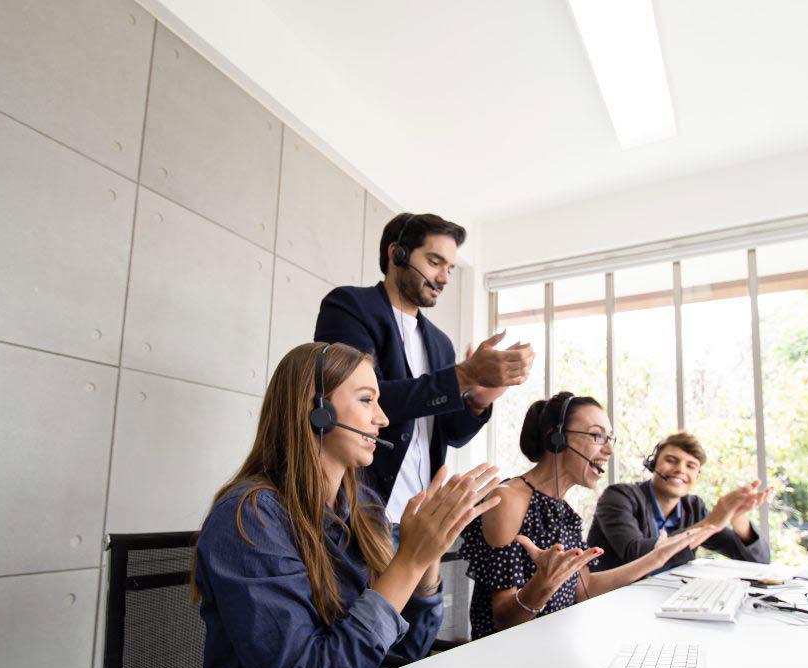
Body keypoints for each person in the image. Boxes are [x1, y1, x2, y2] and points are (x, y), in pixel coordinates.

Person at [187, 342, 500, 668]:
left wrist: (427, 560)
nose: (383, 419)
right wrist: (407, 561)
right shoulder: (251, 516)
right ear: (317, 410)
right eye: (367, 400)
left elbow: (406, 651)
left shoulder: (363, 507)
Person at [314, 212, 534, 526]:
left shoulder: (440, 343)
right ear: (397, 254)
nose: (444, 278)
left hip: (419, 517)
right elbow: (357, 402)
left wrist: (478, 399)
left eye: (450, 268)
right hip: (359, 512)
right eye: (434, 261)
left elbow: (450, 435)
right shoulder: (350, 307)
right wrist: (465, 376)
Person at [461, 392, 699, 639]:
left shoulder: (565, 512)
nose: (609, 450)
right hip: (507, 657)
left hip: (555, 645)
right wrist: (543, 584)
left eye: (609, 439)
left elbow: (584, 590)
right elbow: (502, 620)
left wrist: (656, 559)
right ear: (558, 438)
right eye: (597, 436)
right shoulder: (508, 499)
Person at [587, 431, 770, 575]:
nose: (680, 470)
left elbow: (759, 562)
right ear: (653, 465)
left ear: (696, 477)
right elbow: (635, 555)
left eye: (691, 466)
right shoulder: (618, 497)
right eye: (671, 460)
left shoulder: (694, 509)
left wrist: (738, 518)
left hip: (660, 600)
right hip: (611, 600)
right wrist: (709, 524)